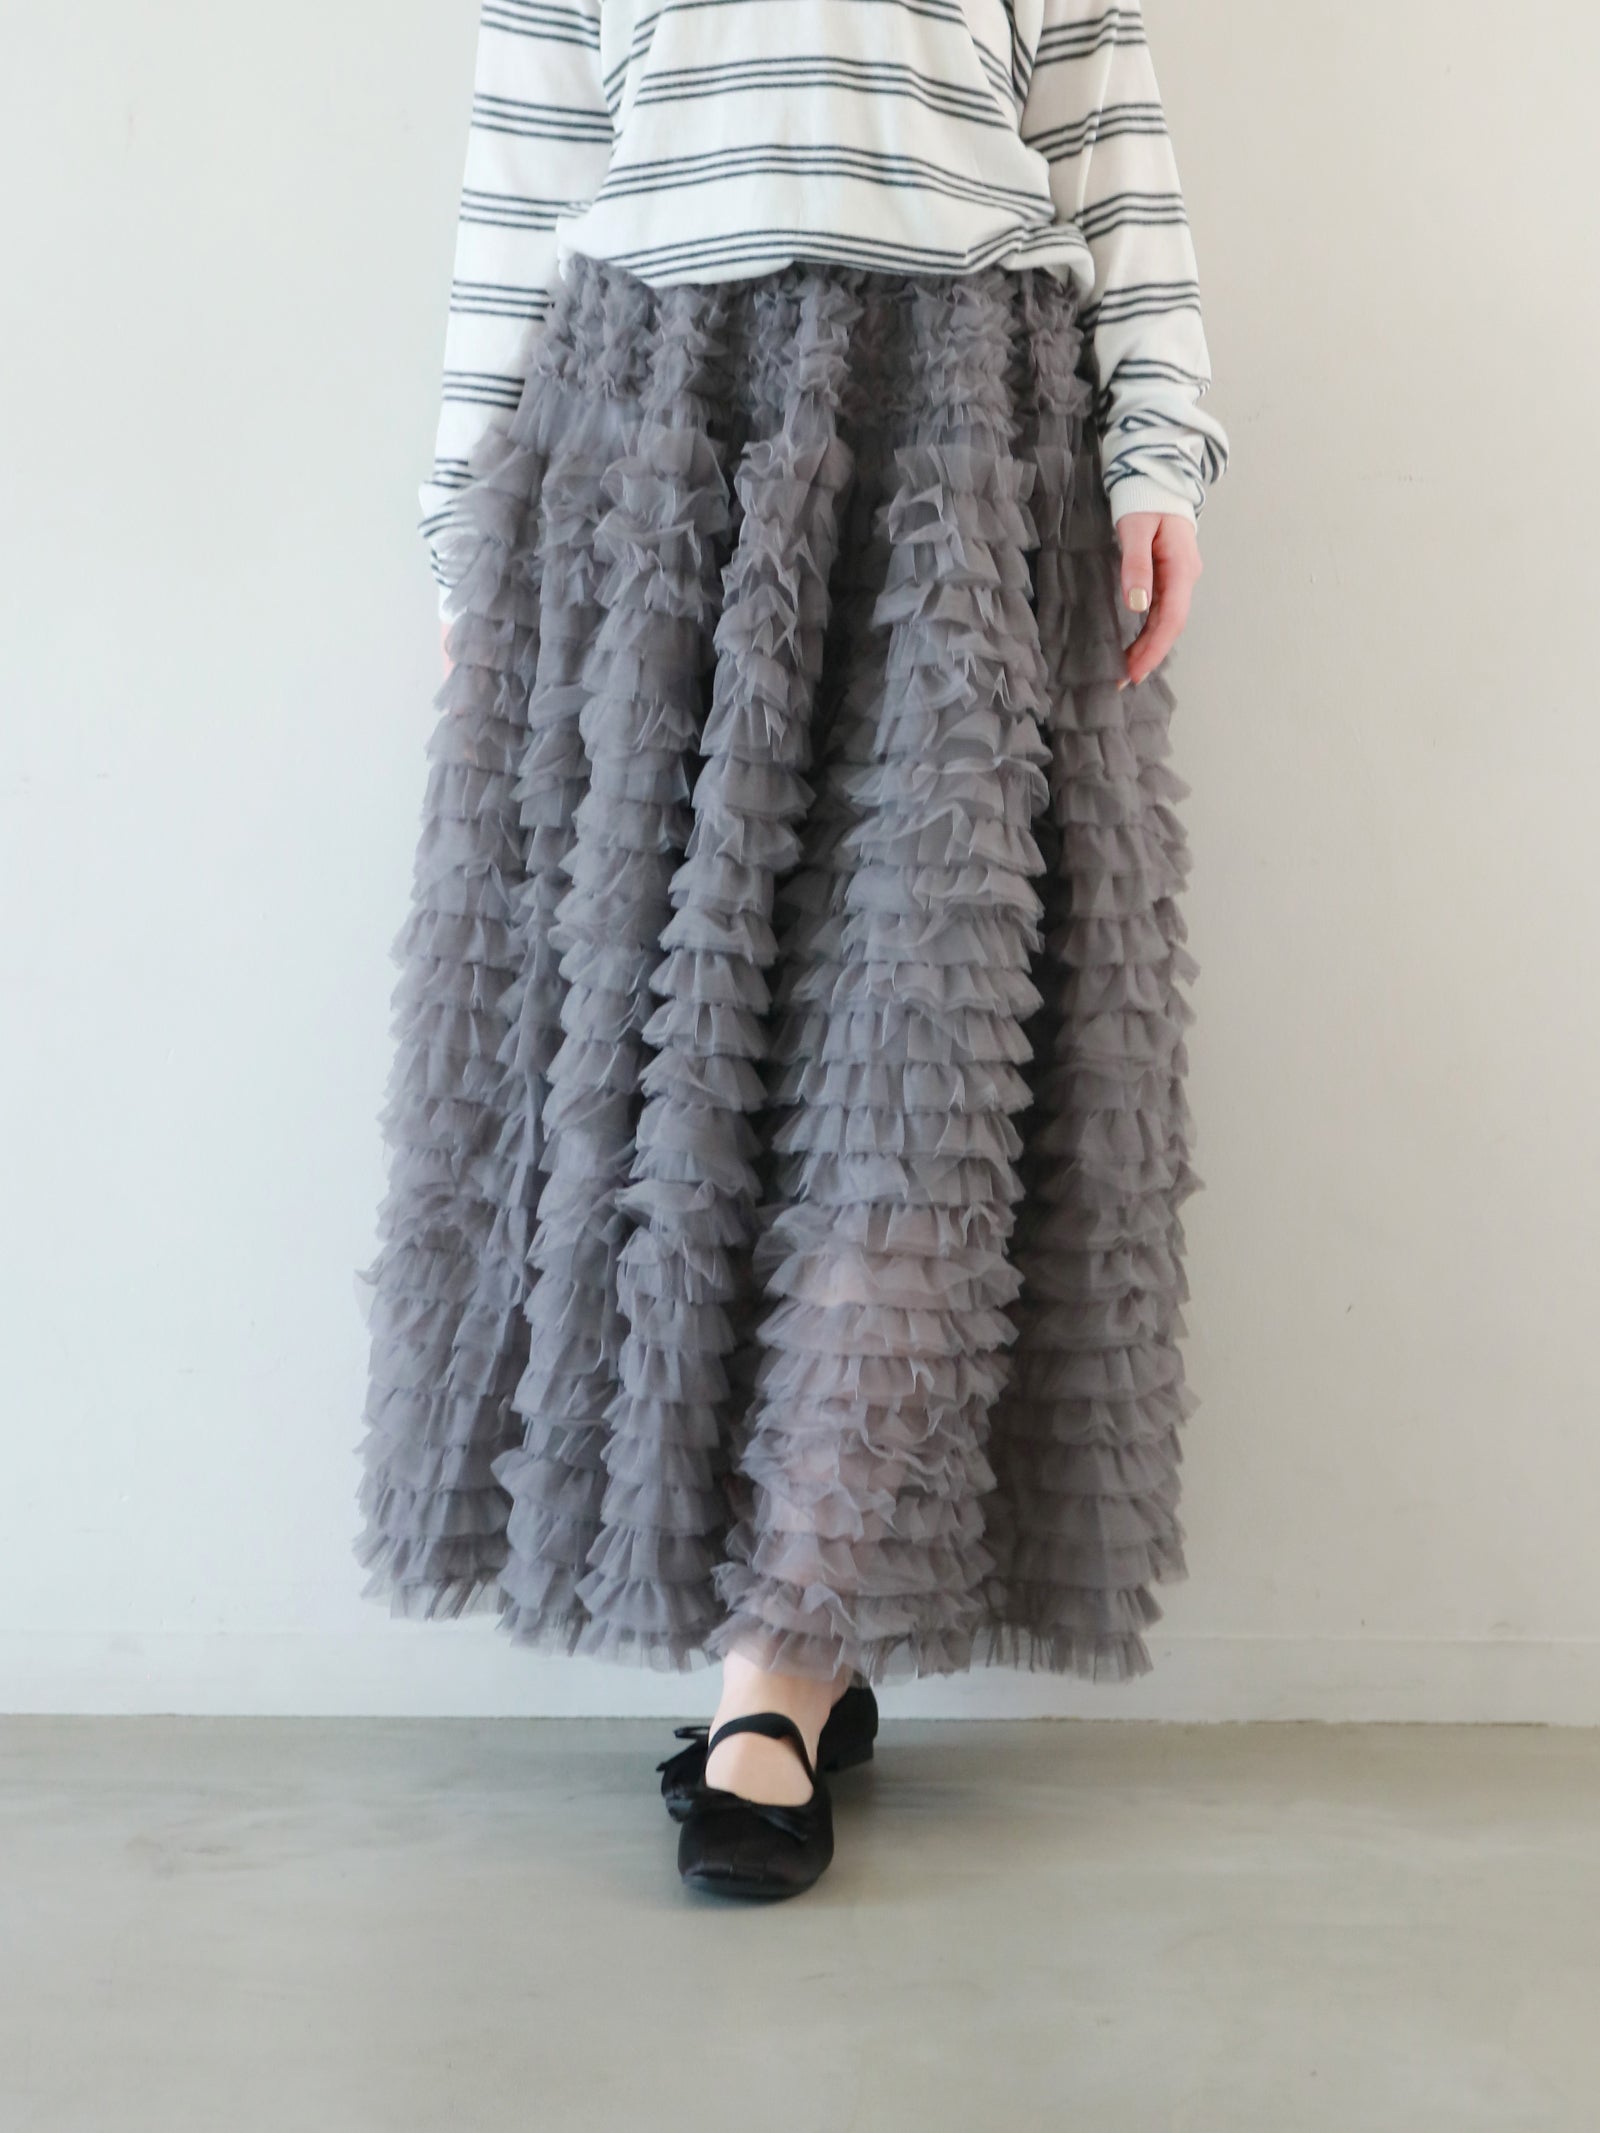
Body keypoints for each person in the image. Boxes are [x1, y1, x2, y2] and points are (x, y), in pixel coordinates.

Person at [357, 0, 1229, 1900]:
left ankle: (785, 1651)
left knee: (918, 1057)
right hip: (654, 443)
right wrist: (463, 528)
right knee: (675, 1070)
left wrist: (1158, 454)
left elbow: (1111, 148)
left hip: (966, 441)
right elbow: (523, 184)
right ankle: (787, 1641)